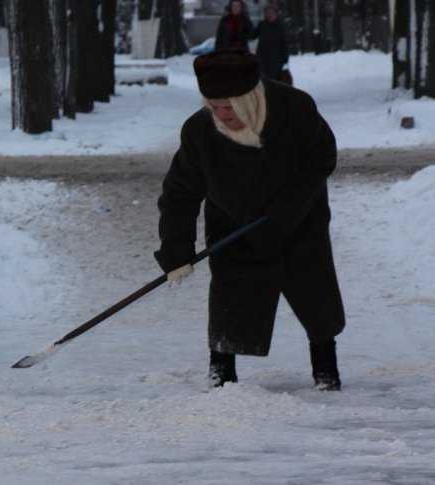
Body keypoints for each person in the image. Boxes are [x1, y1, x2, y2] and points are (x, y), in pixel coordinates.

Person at [154, 50, 345, 390]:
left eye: (230, 107)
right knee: (230, 295)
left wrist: (290, 205)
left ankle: (325, 366)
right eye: (214, 107)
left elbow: (322, 156)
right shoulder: (200, 131)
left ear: (250, 98)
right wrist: (176, 249)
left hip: (299, 221)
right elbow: (179, 194)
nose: (222, 115)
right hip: (233, 224)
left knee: (315, 295)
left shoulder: (295, 109)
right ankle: (221, 369)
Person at [252, 6, 289, 81]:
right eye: (267, 13)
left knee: (274, 80)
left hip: (276, 59)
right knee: (262, 79)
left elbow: (284, 43)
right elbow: (252, 35)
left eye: (271, 13)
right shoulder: (262, 25)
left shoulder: (280, 26)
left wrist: (285, 58)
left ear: (276, 14)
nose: (269, 15)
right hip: (262, 58)